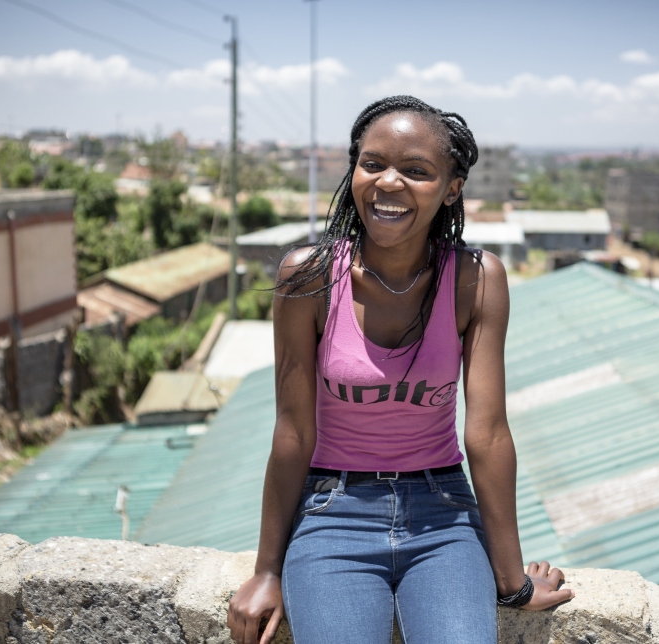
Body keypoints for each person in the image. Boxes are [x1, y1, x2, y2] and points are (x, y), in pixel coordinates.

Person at [226, 95, 574, 644]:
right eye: (373, 164)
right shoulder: (308, 278)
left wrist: (512, 579)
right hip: (331, 516)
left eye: (416, 171)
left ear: (451, 187)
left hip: (444, 518)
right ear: (354, 170)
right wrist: (267, 571)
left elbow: (486, 432)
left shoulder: (477, 280)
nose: (389, 183)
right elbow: (293, 432)